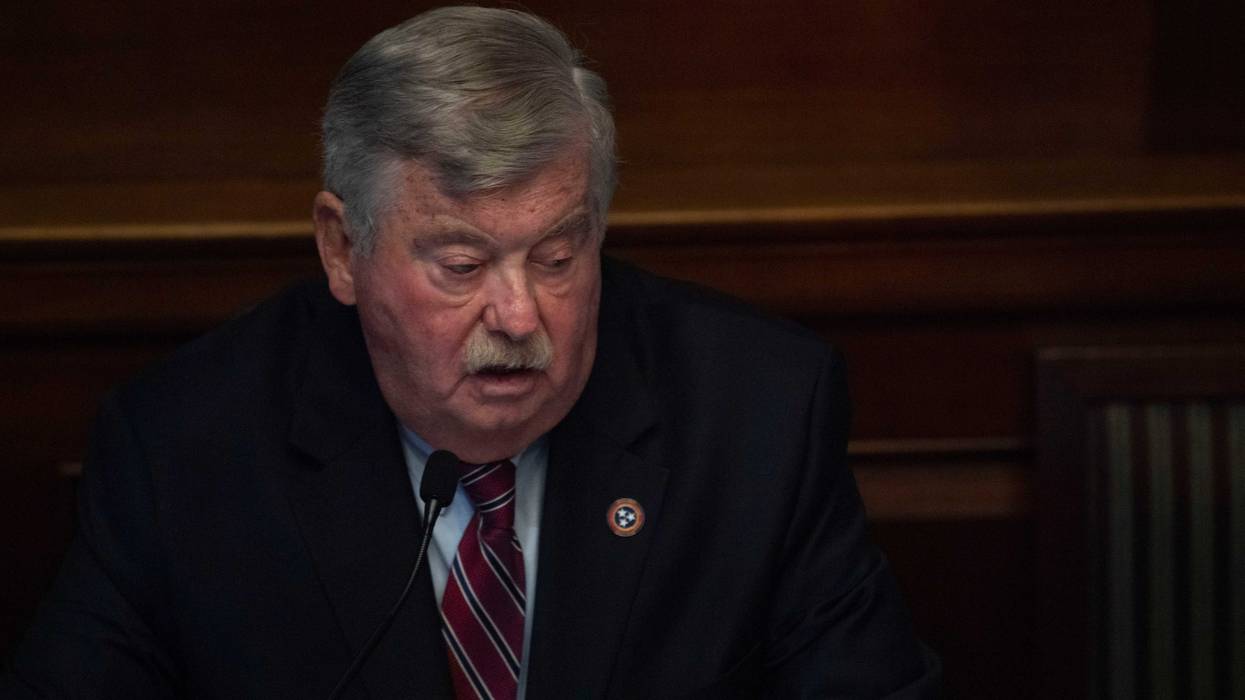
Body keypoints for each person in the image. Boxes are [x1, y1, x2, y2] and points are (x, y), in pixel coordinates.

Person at [3, 6, 939, 698]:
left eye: (559, 255)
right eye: (460, 263)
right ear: (343, 248)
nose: (520, 312)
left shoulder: (758, 414)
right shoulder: (183, 450)